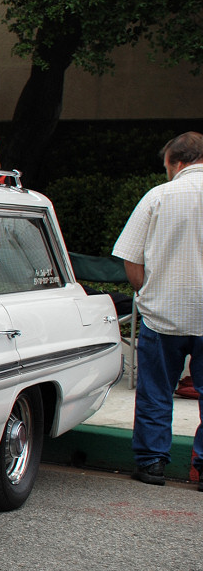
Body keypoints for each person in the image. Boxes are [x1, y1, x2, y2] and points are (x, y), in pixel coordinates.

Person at [111, 132, 203, 489]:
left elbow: (131, 257)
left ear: (177, 162)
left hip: (163, 313)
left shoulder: (158, 196)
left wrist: (145, 292)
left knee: (156, 391)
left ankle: (152, 464)